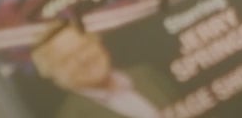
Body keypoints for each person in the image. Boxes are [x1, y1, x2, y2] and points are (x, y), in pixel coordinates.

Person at [26, 19, 174, 118]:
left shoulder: (146, 74)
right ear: (54, 76)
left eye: (84, 47)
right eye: (67, 59)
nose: (83, 59)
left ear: (98, 44)